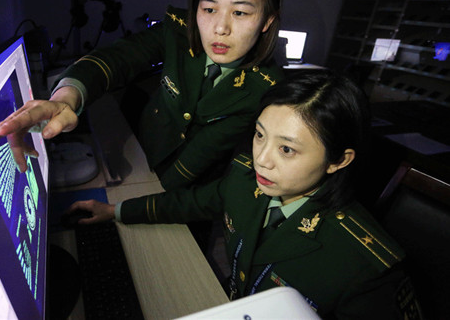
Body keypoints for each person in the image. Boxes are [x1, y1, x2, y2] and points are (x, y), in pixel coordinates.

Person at [65, 70, 422, 319]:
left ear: (337, 160)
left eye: (287, 150)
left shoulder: (367, 267)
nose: (261, 160)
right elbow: (195, 202)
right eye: (260, 135)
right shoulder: (245, 178)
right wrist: (117, 211)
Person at [0, 0, 284, 191]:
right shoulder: (178, 29)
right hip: (139, 152)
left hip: (189, 192)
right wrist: (65, 99)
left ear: (267, 20)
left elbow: (199, 158)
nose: (220, 28)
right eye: (209, 9)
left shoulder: (266, 88)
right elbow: (119, 58)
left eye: (241, 13)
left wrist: (136, 201)